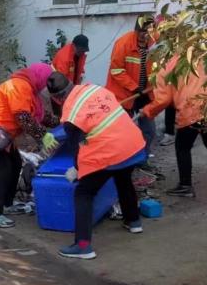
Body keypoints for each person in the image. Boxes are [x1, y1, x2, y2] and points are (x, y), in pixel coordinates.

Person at [53, 77, 146, 260]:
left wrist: (77, 169)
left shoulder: (70, 114)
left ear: (56, 99)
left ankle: (83, 246)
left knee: (84, 193)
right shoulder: (94, 89)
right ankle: (133, 221)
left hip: (110, 151)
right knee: (123, 177)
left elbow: (76, 146)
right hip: (132, 145)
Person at [0, 63, 58, 229]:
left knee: (15, 163)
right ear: (40, 77)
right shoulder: (19, 86)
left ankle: (6, 204)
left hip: (1, 134)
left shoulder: (30, 91)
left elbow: (39, 115)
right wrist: (43, 135)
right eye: (47, 82)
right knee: (0, 170)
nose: (47, 88)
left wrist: (61, 122)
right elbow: (23, 116)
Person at [140, 56, 207, 198]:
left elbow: (163, 99)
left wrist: (147, 110)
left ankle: (185, 186)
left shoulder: (167, 66)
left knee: (182, 147)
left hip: (191, 109)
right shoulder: (202, 55)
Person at [106, 16, 157, 159]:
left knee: (149, 131)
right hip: (124, 94)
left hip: (145, 93)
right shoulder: (123, 43)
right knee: (122, 131)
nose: (143, 35)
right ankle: (123, 160)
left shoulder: (154, 44)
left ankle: (142, 159)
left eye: (147, 32)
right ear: (136, 30)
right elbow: (116, 70)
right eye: (140, 31)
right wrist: (134, 87)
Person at [51, 34, 88, 114]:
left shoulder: (80, 55)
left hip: (71, 88)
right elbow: (60, 81)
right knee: (61, 113)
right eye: (81, 50)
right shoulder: (64, 58)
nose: (83, 52)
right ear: (74, 46)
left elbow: (79, 71)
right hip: (59, 90)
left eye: (84, 51)